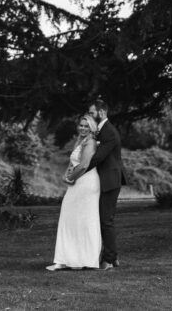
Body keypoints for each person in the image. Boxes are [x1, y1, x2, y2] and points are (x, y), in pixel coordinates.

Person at [68, 98, 126, 269]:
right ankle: (112, 257)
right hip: (105, 179)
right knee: (104, 219)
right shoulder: (101, 131)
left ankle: (108, 260)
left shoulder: (108, 132)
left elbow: (97, 158)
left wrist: (78, 172)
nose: (90, 115)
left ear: (101, 112)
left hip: (110, 180)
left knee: (106, 220)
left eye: (92, 112)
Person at [46, 114, 102, 271]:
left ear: (92, 128)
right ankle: (66, 259)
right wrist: (66, 174)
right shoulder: (81, 141)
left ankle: (86, 259)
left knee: (85, 220)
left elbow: (84, 165)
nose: (83, 128)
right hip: (78, 181)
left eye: (86, 126)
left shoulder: (90, 142)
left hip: (86, 182)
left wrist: (70, 178)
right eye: (81, 125)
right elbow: (73, 162)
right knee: (70, 219)